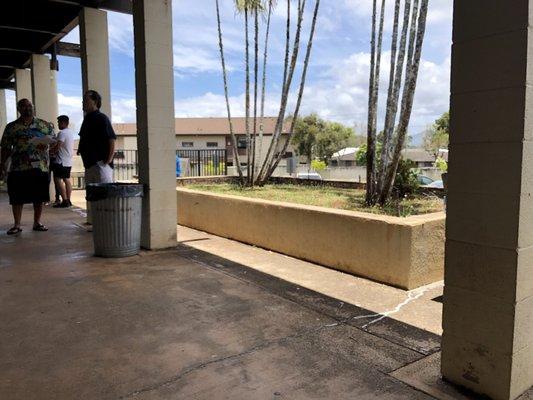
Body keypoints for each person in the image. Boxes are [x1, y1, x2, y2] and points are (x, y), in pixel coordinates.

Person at [0, 99, 54, 235]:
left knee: (39, 196)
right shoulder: (11, 127)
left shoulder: (44, 124)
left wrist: (47, 145)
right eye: (24, 106)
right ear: (19, 109)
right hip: (18, 167)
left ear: (33, 108)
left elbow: (53, 142)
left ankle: (37, 222)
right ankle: (17, 224)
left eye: (30, 105)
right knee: (17, 196)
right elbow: (5, 147)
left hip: (40, 166)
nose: (27, 108)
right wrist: (2, 164)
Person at [77, 90, 116, 185]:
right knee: (92, 197)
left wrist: (108, 160)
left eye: (86, 100)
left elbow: (111, 139)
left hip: (100, 164)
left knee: (104, 196)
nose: (83, 103)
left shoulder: (102, 118)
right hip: (89, 165)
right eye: (83, 100)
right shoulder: (86, 120)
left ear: (95, 102)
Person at [51, 115, 75, 208]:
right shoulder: (70, 133)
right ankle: (68, 200)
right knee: (67, 180)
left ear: (63, 123)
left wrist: (50, 151)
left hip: (60, 161)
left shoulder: (62, 133)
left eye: (59, 122)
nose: (58, 124)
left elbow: (58, 146)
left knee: (57, 179)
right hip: (68, 161)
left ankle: (64, 200)